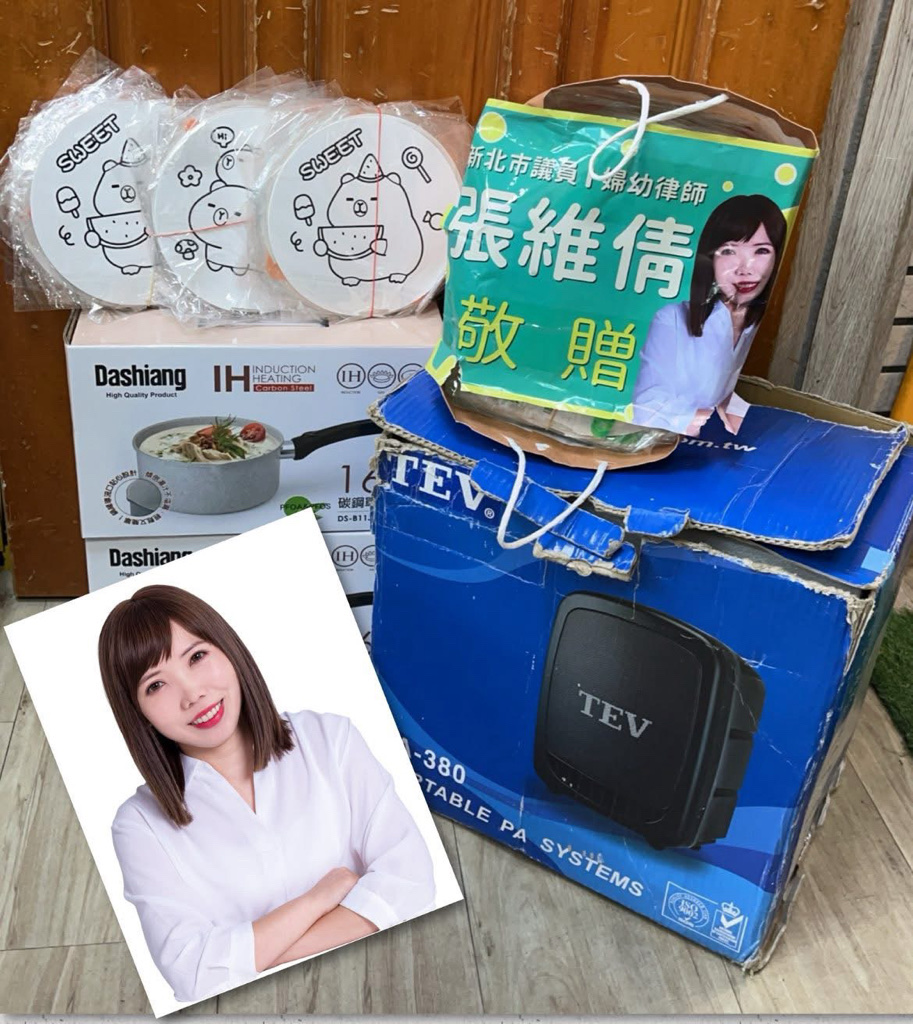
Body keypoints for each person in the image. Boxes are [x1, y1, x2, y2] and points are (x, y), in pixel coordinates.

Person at [99, 584, 436, 1004]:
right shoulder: (139, 825)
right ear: (138, 712)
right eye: (155, 685)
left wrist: (249, 959)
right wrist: (320, 897)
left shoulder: (329, 739)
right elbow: (192, 974)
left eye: (197, 657)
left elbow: (412, 881)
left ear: (229, 650)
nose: (193, 694)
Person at [631, 194, 787, 436]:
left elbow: (724, 398)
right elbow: (645, 406)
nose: (745, 268)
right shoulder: (673, 319)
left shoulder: (757, 324)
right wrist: (704, 419)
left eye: (762, 251)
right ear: (710, 257)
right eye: (729, 251)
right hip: (664, 446)